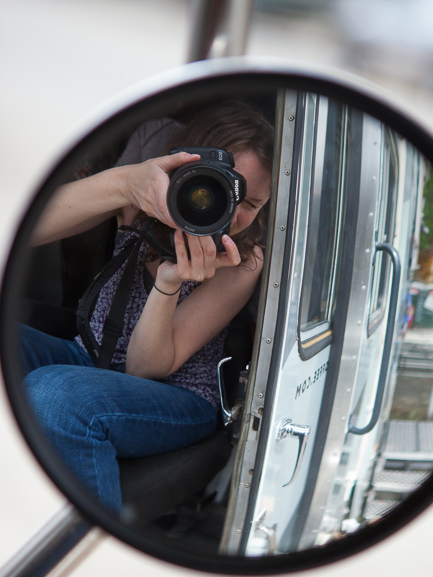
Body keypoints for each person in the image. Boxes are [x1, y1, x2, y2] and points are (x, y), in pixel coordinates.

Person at [20, 100, 274, 513]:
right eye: (222, 188)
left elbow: (146, 370)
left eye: (252, 203)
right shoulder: (142, 201)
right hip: (87, 356)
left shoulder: (243, 259)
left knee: (55, 396)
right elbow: (21, 225)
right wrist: (125, 184)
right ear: (186, 171)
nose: (232, 210)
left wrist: (170, 282)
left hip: (178, 396)